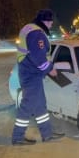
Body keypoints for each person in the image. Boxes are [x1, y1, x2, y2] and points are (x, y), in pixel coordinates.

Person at [11, 9, 65, 145]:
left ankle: (47, 134)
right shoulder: (37, 34)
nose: (51, 25)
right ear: (45, 21)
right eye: (50, 22)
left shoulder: (29, 28)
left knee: (40, 105)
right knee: (27, 105)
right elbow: (38, 58)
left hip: (29, 72)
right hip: (31, 74)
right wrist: (49, 69)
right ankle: (17, 137)